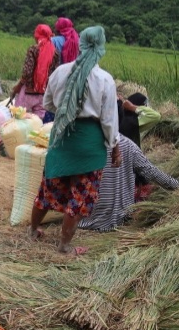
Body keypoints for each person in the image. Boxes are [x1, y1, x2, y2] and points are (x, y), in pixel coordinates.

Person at [28, 26, 119, 256]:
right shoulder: (104, 79)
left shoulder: (61, 71)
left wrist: (66, 109)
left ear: (80, 45)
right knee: (80, 195)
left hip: (61, 137)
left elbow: (48, 104)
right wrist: (115, 146)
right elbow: (109, 120)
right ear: (100, 47)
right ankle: (64, 246)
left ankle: (32, 231)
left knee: (49, 187)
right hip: (89, 143)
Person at [78, 134, 179, 231]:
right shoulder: (127, 145)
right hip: (119, 220)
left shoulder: (82, 144)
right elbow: (152, 172)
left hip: (83, 221)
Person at [10, 24, 60, 120]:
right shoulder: (55, 53)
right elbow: (54, 75)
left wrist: (18, 87)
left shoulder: (33, 50)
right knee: (38, 122)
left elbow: (27, 72)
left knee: (18, 118)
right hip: (44, 95)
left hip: (28, 92)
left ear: (37, 36)